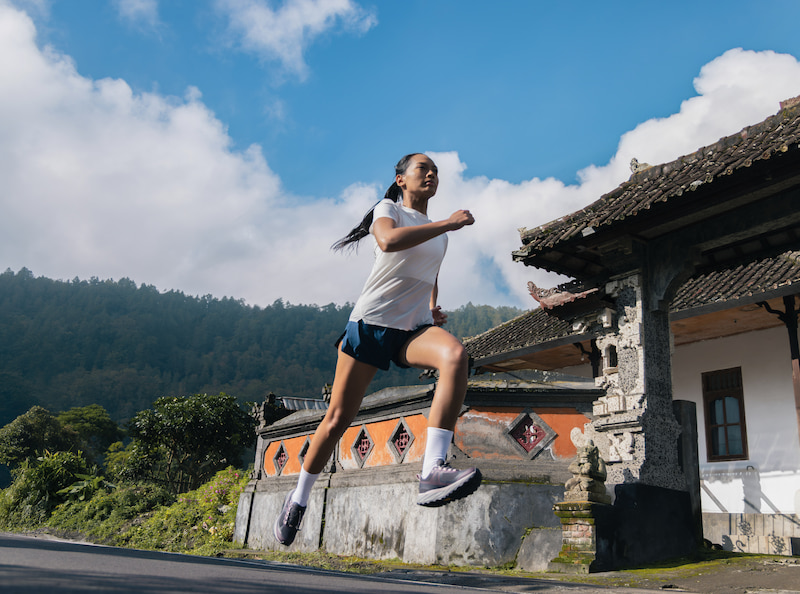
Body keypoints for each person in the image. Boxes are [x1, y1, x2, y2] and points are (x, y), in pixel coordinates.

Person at [274, 153, 481, 546]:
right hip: (371, 325)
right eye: (423, 169)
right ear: (401, 180)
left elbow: (429, 276)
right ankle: (298, 498)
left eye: (436, 171)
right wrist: (449, 221)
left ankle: (433, 469)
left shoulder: (441, 235)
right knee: (336, 419)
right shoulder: (388, 210)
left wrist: (432, 308)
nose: (432, 175)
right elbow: (387, 241)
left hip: (412, 329)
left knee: (456, 355)